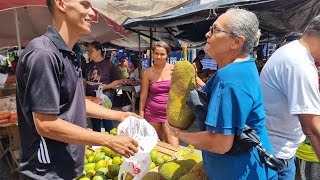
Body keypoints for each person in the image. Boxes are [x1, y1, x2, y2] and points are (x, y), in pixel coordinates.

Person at [15, 0, 139, 179]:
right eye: (84, 4)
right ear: (61, 4)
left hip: (67, 164)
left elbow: (76, 102)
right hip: (47, 171)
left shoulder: (68, 54)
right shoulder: (44, 54)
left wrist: (119, 115)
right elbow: (46, 124)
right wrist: (107, 140)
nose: (93, 14)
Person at [167, 8, 277, 179]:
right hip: (243, 167)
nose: (207, 34)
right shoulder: (242, 67)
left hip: (240, 172)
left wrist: (180, 135)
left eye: (215, 30)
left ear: (236, 42)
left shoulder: (230, 77)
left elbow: (220, 143)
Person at [260, 15, 320, 180]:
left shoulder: (291, 51)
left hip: (275, 149)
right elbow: (313, 128)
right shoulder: (300, 65)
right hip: (276, 156)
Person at [139, 41, 179, 148]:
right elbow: (143, 95)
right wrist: (141, 115)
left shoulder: (174, 70)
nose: (159, 57)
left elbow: (181, 91)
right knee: (155, 146)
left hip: (170, 114)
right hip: (152, 113)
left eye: (162, 54)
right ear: (152, 54)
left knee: (173, 147)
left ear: (167, 55)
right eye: (156, 53)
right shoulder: (147, 73)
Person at [85, 41, 125, 132]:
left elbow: (118, 81)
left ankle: (111, 141)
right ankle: (96, 143)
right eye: (88, 51)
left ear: (99, 51)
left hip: (105, 97)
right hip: (91, 98)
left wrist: (106, 87)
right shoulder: (87, 65)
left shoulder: (109, 65)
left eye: (91, 51)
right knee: (95, 122)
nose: (89, 53)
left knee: (107, 120)